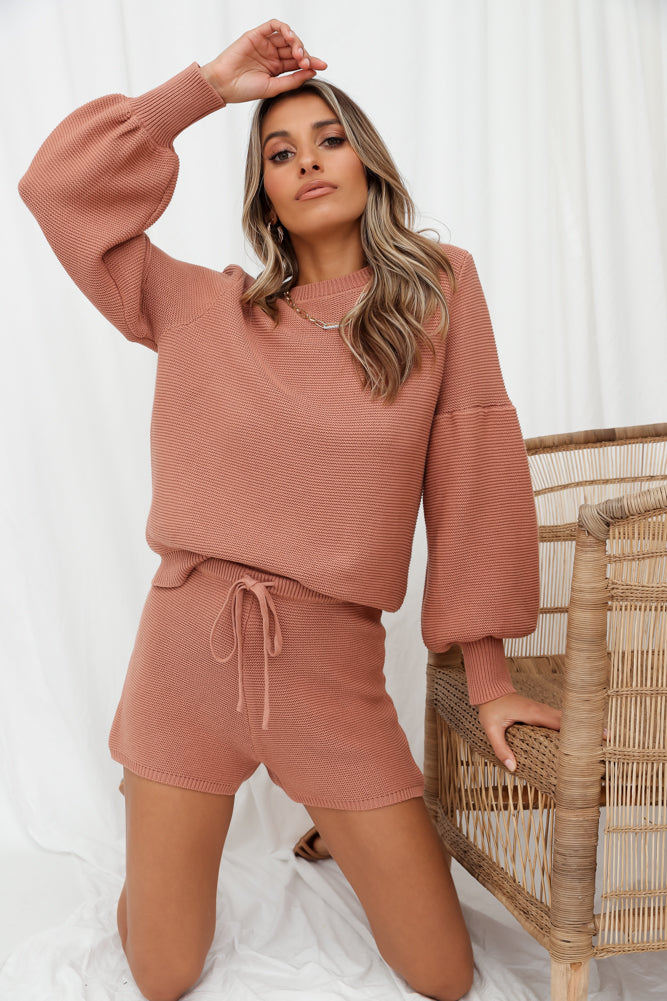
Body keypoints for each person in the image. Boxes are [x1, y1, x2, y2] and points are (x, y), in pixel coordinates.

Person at [18, 18, 561, 1001]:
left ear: (367, 165)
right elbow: (57, 189)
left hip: (330, 673)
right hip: (185, 661)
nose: (307, 161)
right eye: (279, 151)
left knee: (443, 974)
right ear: (261, 191)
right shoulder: (200, 307)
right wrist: (204, 86)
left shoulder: (436, 294)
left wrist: (489, 679)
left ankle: (324, 811)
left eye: (329, 139)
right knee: (162, 976)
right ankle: (153, 798)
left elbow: (473, 474)